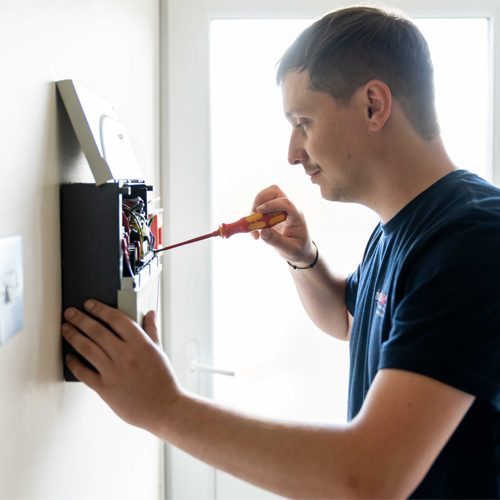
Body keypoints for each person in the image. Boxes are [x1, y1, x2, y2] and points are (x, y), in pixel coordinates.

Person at [61, 5, 500, 499]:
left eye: (303, 122)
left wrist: (163, 406)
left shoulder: (471, 239)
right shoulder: (405, 227)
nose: (293, 151)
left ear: (374, 105)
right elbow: (353, 322)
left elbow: (370, 477)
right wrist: (303, 257)